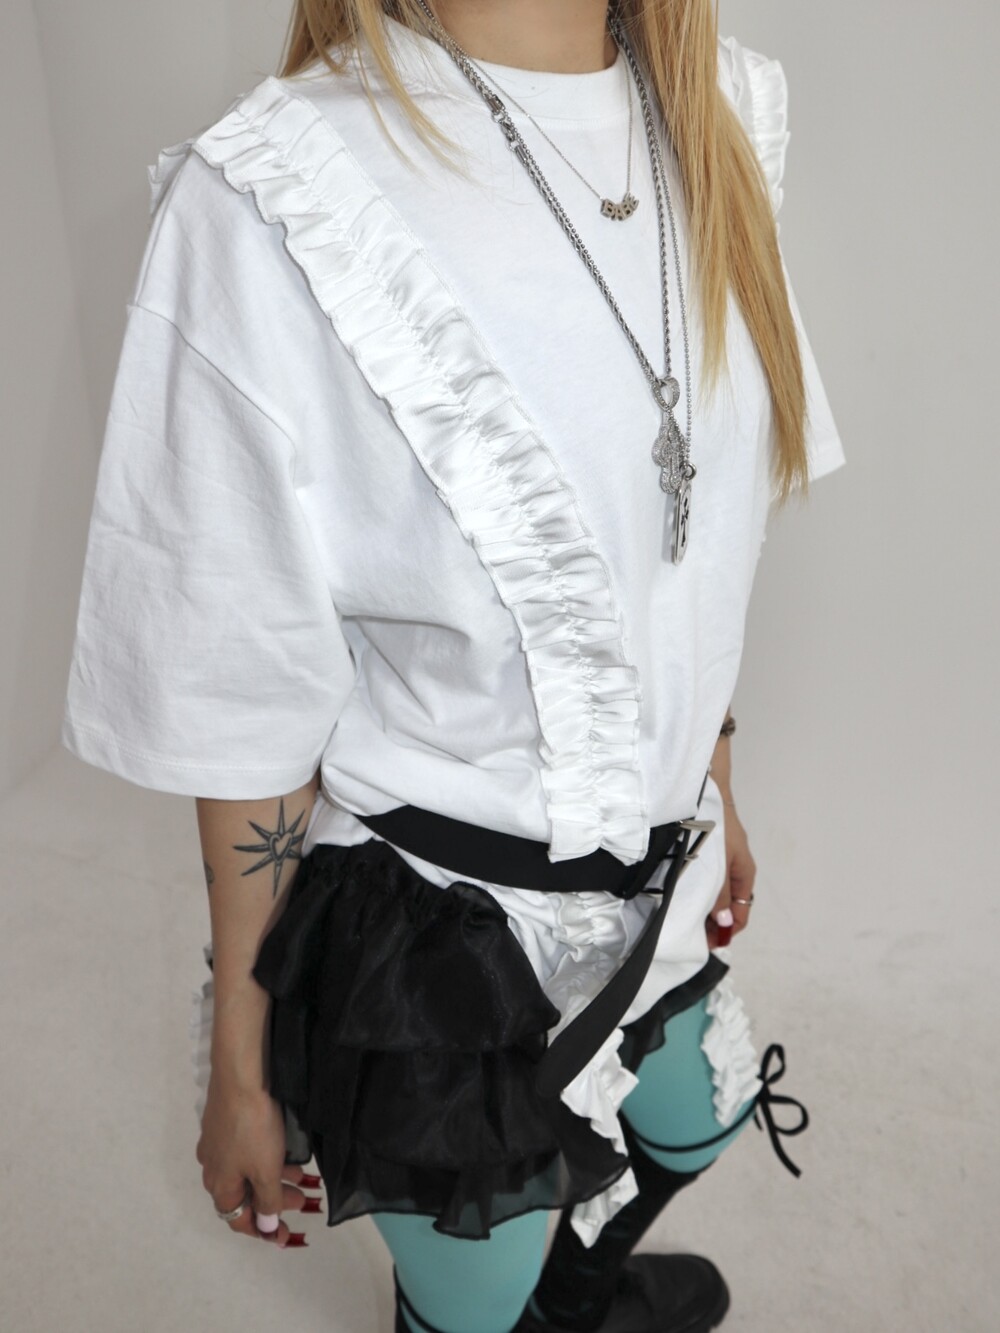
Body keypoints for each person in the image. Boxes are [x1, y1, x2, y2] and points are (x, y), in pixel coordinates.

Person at [61, 1, 844, 1329]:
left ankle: (574, 1302)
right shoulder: (264, 202)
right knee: (475, 1296)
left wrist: (713, 776)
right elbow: (242, 694)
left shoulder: (718, 120)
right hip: (440, 939)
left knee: (693, 1121)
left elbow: (692, 545)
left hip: (664, 862)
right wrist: (242, 1055)